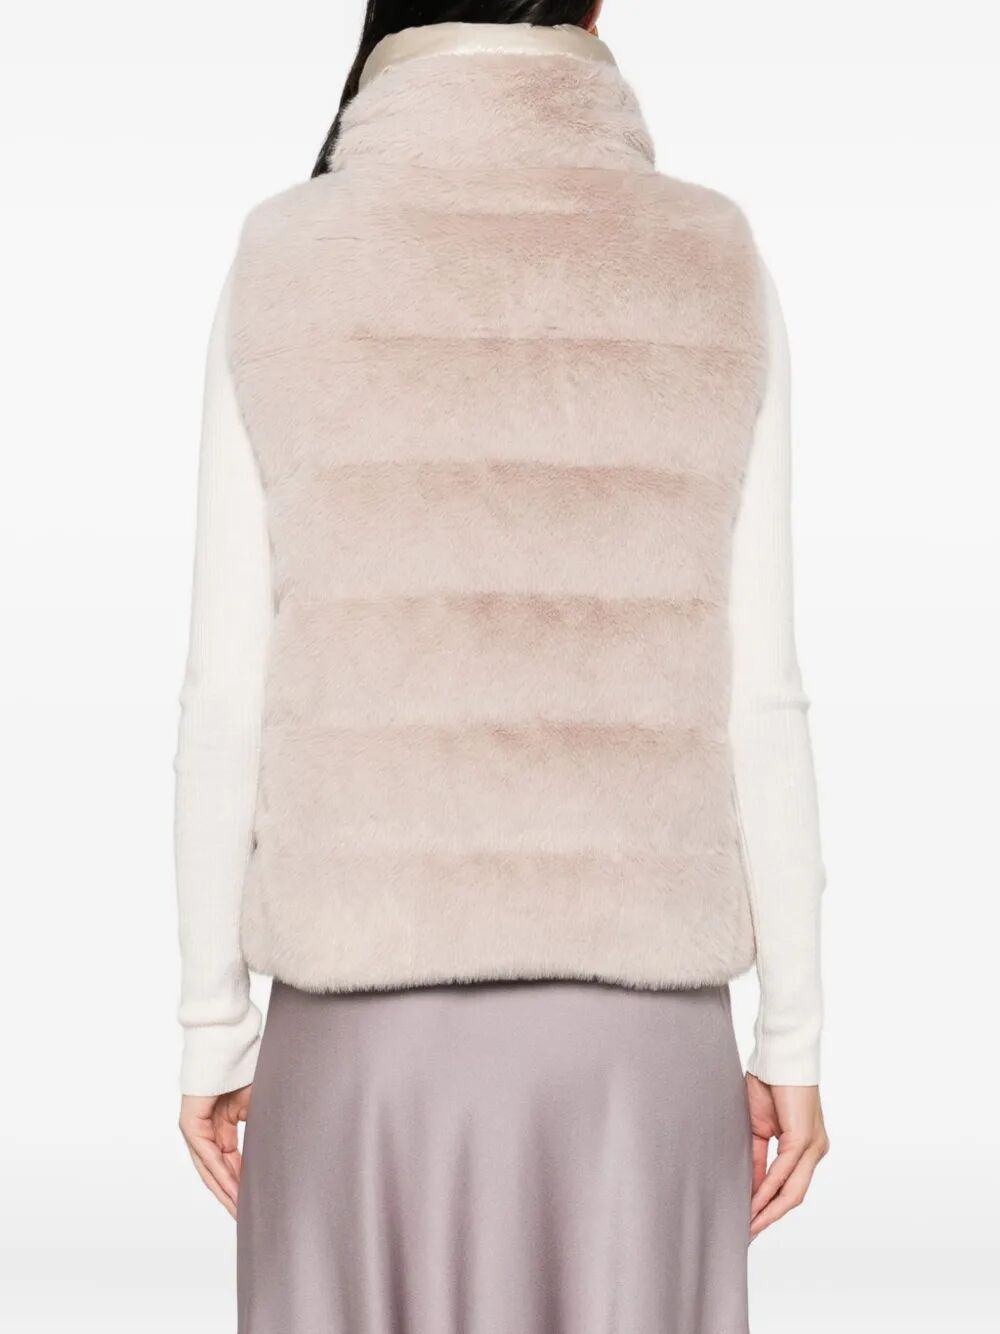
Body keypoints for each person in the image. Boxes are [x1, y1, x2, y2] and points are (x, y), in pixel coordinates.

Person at [174, 2, 829, 1329]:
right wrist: (793, 1036)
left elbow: (226, 692)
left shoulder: (286, 254)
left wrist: (211, 1026)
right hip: (638, 1046)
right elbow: (758, 691)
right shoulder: (710, 257)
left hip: (358, 1039)